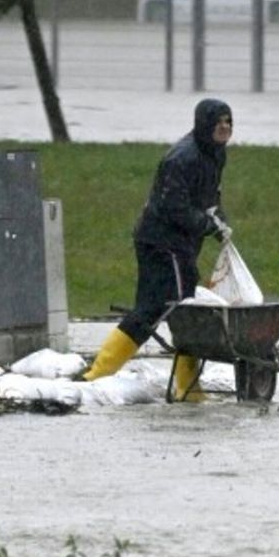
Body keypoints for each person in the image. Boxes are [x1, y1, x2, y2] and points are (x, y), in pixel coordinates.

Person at [82, 98, 234, 398]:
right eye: (219, 123)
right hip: (163, 243)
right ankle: (184, 387)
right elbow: (171, 207)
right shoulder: (182, 159)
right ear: (205, 125)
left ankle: (100, 373)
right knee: (182, 308)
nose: (225, 128)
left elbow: (209, 194)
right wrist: (206, 224)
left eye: (229, 122)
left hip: (179, 245)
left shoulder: (215, 154)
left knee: (155, 308)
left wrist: (218, 218)